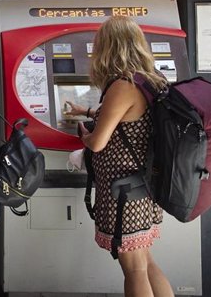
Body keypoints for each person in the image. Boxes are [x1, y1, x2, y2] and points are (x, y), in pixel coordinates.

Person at [67, 16, 174, 297]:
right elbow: (128, 120)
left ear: (108, 48)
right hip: (142, 186)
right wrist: (87, 111)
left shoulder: (123, 84)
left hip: (123, 191)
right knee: (146, 263)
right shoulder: (152, 80)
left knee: (135, 270)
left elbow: (99, 142)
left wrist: (83, 134)